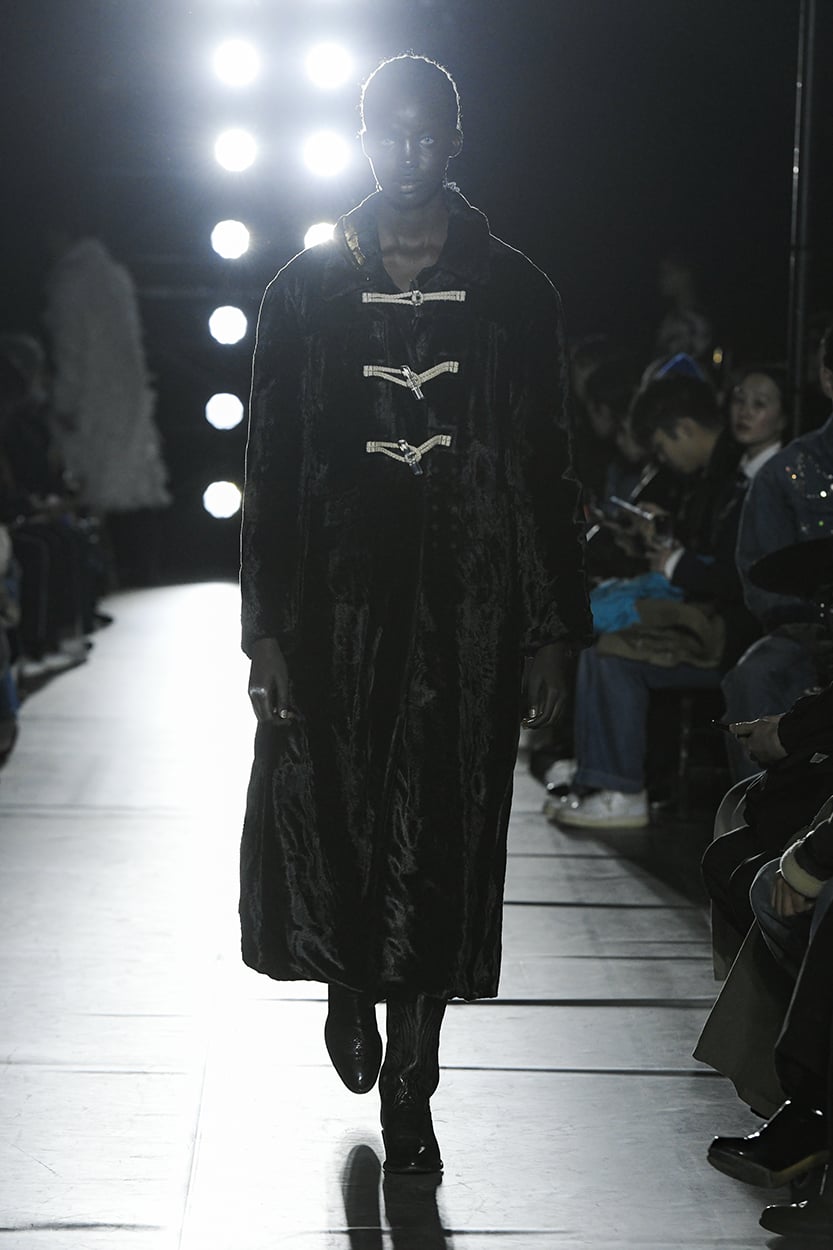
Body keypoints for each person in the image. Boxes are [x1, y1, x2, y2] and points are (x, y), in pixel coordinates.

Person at [239, 54, 591, 1175]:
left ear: (453, 140)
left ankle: (413, 1078)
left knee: (446, 831)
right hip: (334, 610)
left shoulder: (515, 293)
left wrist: (552, 629)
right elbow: (269, 467)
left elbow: (546, 469)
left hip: (468, 609)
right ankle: (347, 984)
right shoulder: (301, 291)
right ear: (360, 139)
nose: (404, 152)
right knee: (336, 813)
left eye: (424, 132)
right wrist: (265, 631)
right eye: (385, 132)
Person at [555, 373, 756, 829]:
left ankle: (619, 786)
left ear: (683, 428)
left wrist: (675, 560)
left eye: (662, 447)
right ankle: (601, 774)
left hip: (727, 627)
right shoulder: (720, 475)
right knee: (602, 645)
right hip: (713, 615)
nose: (660, 459)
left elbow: (732, 572)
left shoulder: (739, 478)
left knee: (610, 652)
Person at [722, 326, 833, 779]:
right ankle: (760, 808)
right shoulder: (784, 472)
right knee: (754, 676)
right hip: (810, 632)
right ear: (827, 378)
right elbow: (761, 580)